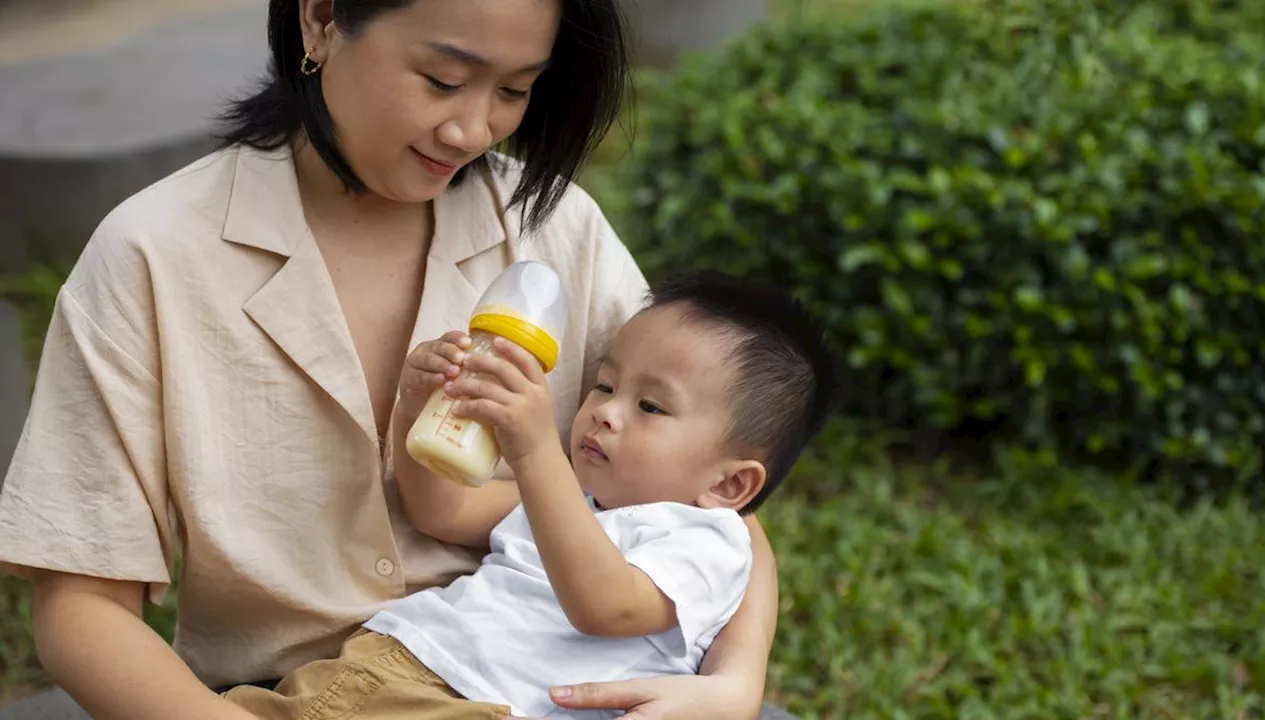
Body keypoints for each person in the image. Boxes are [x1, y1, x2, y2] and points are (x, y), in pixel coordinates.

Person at [0, 1, 786, 719]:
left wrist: (735, 684)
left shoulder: (555, 228)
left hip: (542, 690)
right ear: (319, 20)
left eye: (514, 91)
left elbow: (710, 499)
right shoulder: (155, 254)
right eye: (444, 80)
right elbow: (82, 605)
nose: (473, 130)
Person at [221, 271, 842, 720]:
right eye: (604, 385)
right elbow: (443, 510)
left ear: (730, 484)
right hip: (388, 662)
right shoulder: (571, 496)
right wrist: (422, 408)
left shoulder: (708, 542)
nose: (604, 413)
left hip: (489, 705)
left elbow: (608, 606)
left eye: (650, 406)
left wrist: (537, 451)